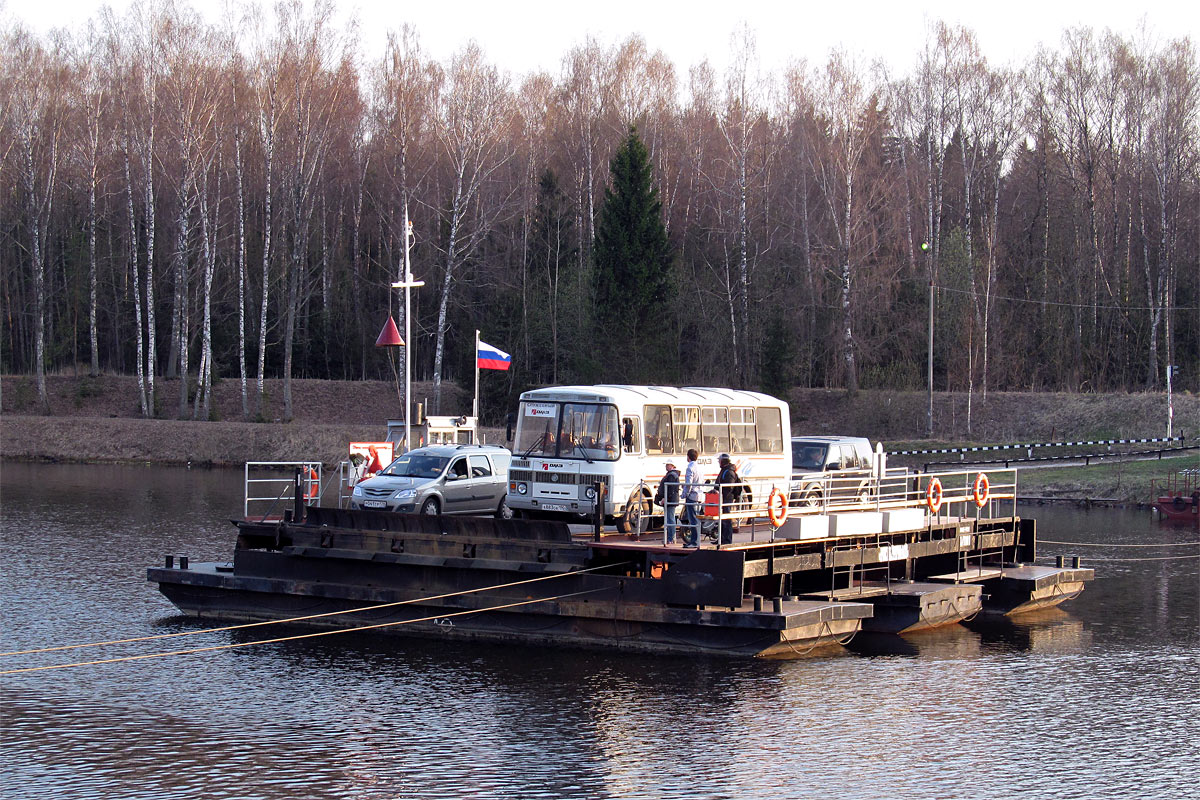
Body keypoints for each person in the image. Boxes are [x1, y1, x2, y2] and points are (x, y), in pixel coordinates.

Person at [713, 453, 742, 545]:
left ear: (723, 461)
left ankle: (727, 540)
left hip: (727, 499)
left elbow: (729, 487)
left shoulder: (729, 471)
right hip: (723, 498)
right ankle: (721, 539)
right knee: (722, 520)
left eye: (719, 461)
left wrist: (721, 492)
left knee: (726, 520)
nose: (719, 463)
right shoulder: (724, 470)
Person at [654, 461, 681, 545]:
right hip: (671, 500)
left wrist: (665, 498)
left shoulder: (671, 475)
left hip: (670, 500)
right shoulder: (672, 474)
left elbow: (671, 489)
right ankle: (671, 538)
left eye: (667, 465)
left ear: (672, 466)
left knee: (670, 519)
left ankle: (671, 538)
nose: (666, 466)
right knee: (670, 519)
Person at [682, 448, 702, 547]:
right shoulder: (699, 467)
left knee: (692, 519)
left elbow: (688, 483)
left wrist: (684, 493)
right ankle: (695, 541)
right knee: (696, 518)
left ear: (688, 457)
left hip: (692, 496)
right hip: (699, 495)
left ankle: (694, 542)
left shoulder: (690, 467)